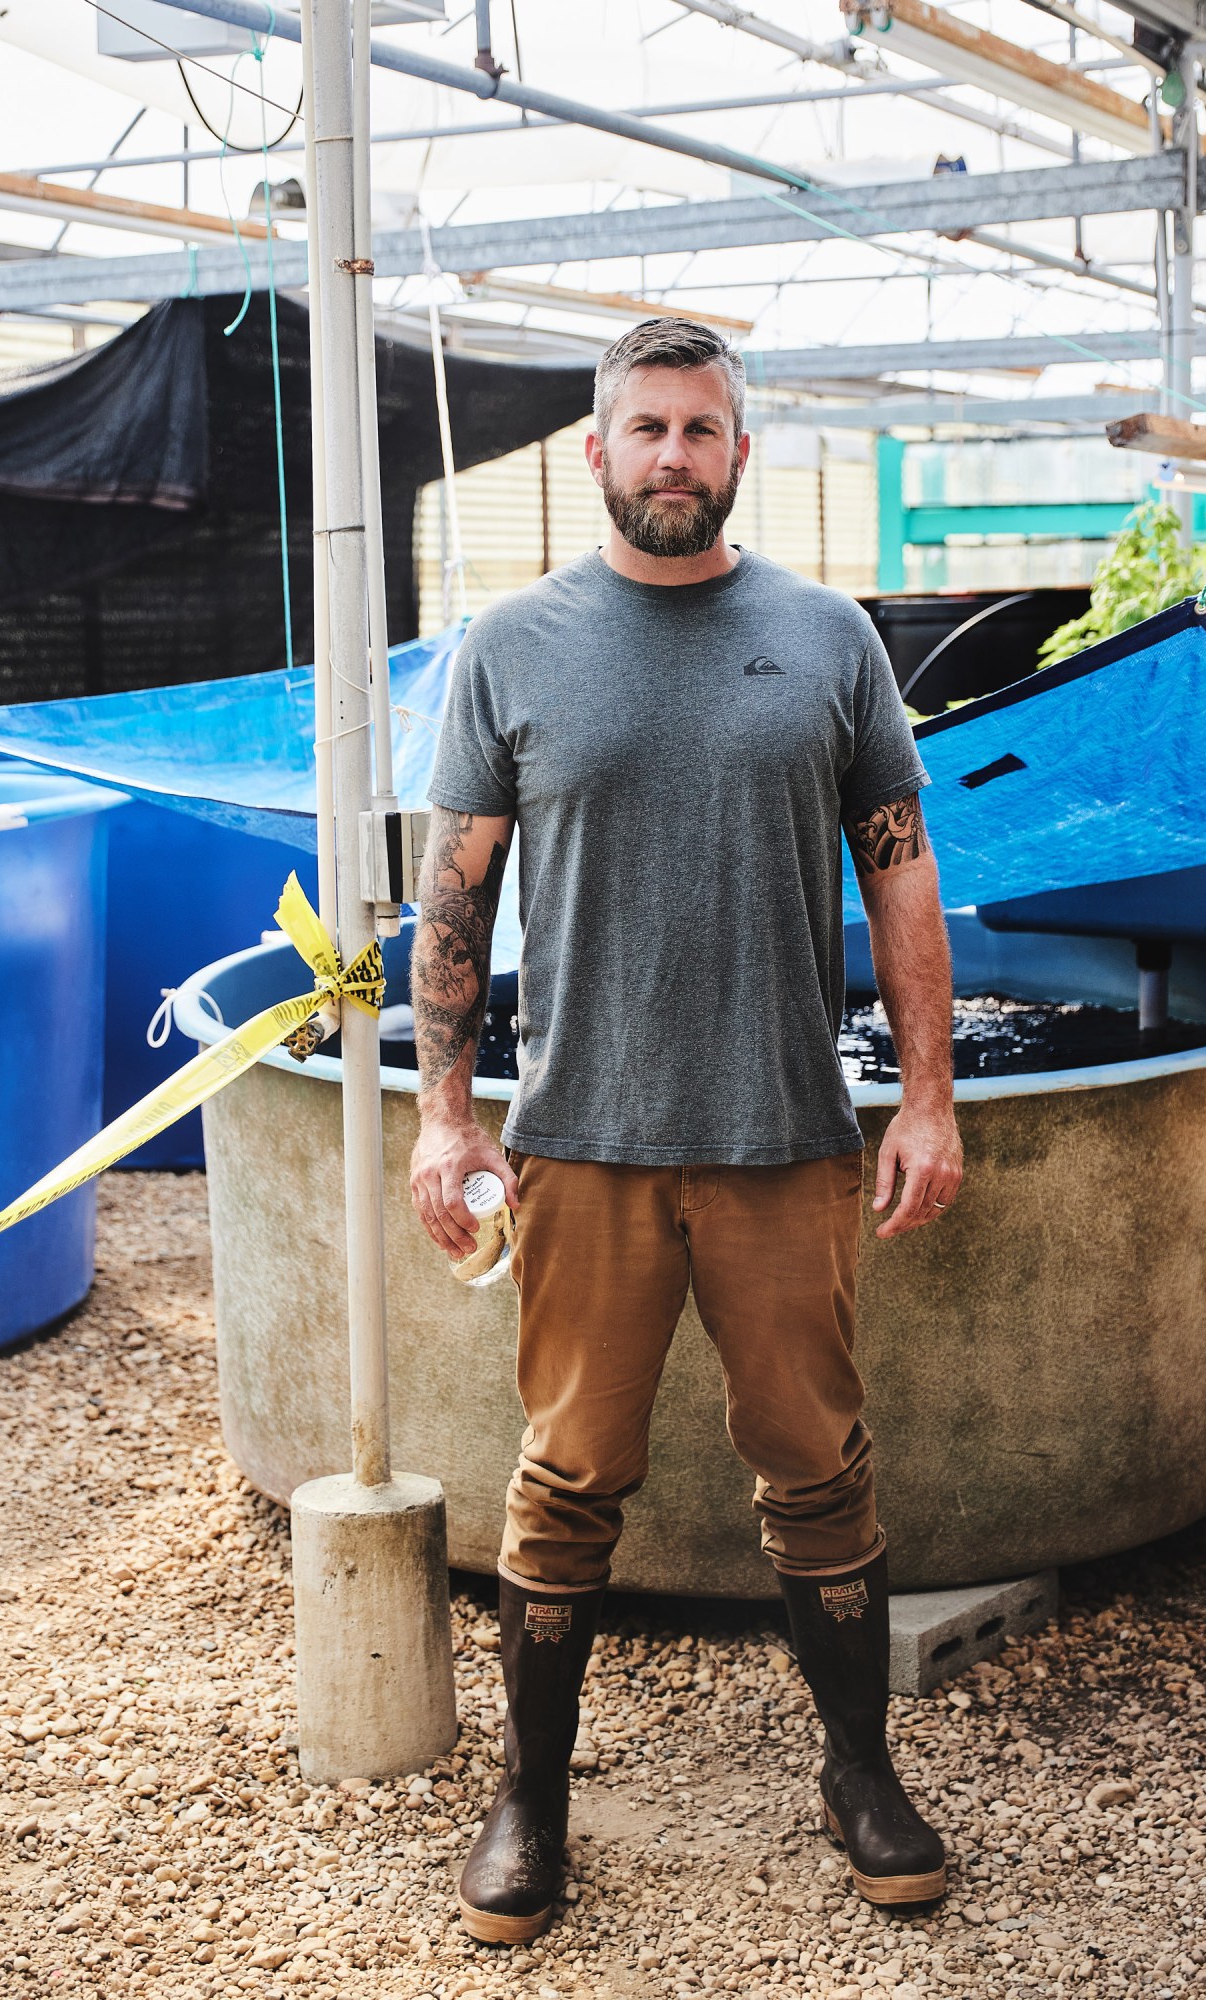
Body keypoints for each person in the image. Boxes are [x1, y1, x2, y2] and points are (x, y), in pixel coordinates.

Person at [408, 318, 963, 1946]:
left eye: (701, 429)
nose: (673, 454)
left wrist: (924, 1096)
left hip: (787, 1135)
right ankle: (531, 1801)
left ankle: (859, 1773)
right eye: (644, 427)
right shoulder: (511, 647)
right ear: (596, 452)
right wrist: (449, 1120)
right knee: (569, 1475)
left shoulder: (828, 638)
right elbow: (456, 895)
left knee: (820, 1466)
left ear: (741, 451)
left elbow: (902, 869)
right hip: (581, 1139)